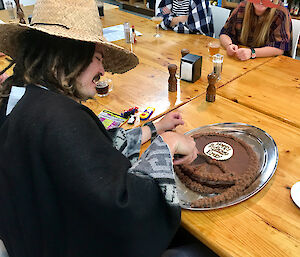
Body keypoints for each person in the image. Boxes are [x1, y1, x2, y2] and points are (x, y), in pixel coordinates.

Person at [0, 0, 199, 257]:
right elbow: (126, 212)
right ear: (67, 54)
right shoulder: (58, 118)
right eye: (97, 59)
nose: (103, 71)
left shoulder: (22, 99)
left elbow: (91, 151)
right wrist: (168, 144)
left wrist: (154, 128)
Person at [220, 0, 292, 61]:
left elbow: (280, 48)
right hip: (241, 60)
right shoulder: (243, 6)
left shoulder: (281, 12)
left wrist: (252, 52)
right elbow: (225, 33)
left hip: (269, 62)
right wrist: (229, 45)